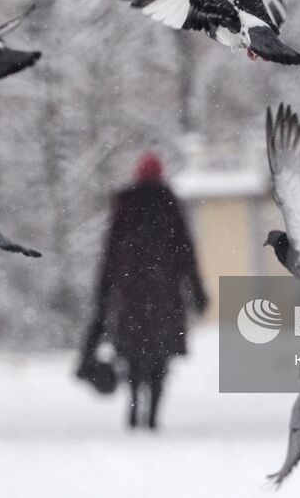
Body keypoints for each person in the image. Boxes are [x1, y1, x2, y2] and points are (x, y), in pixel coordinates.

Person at [84, 152, 208, 430]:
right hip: (164, 296)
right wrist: (197, 292)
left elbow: (111, 252)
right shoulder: (170, 205)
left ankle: (133, 406)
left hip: (132, 296)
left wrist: (103, 291)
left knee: (132, 356)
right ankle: (152, 411)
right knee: (159, 359)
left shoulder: (126, 204)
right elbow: (186, 254)